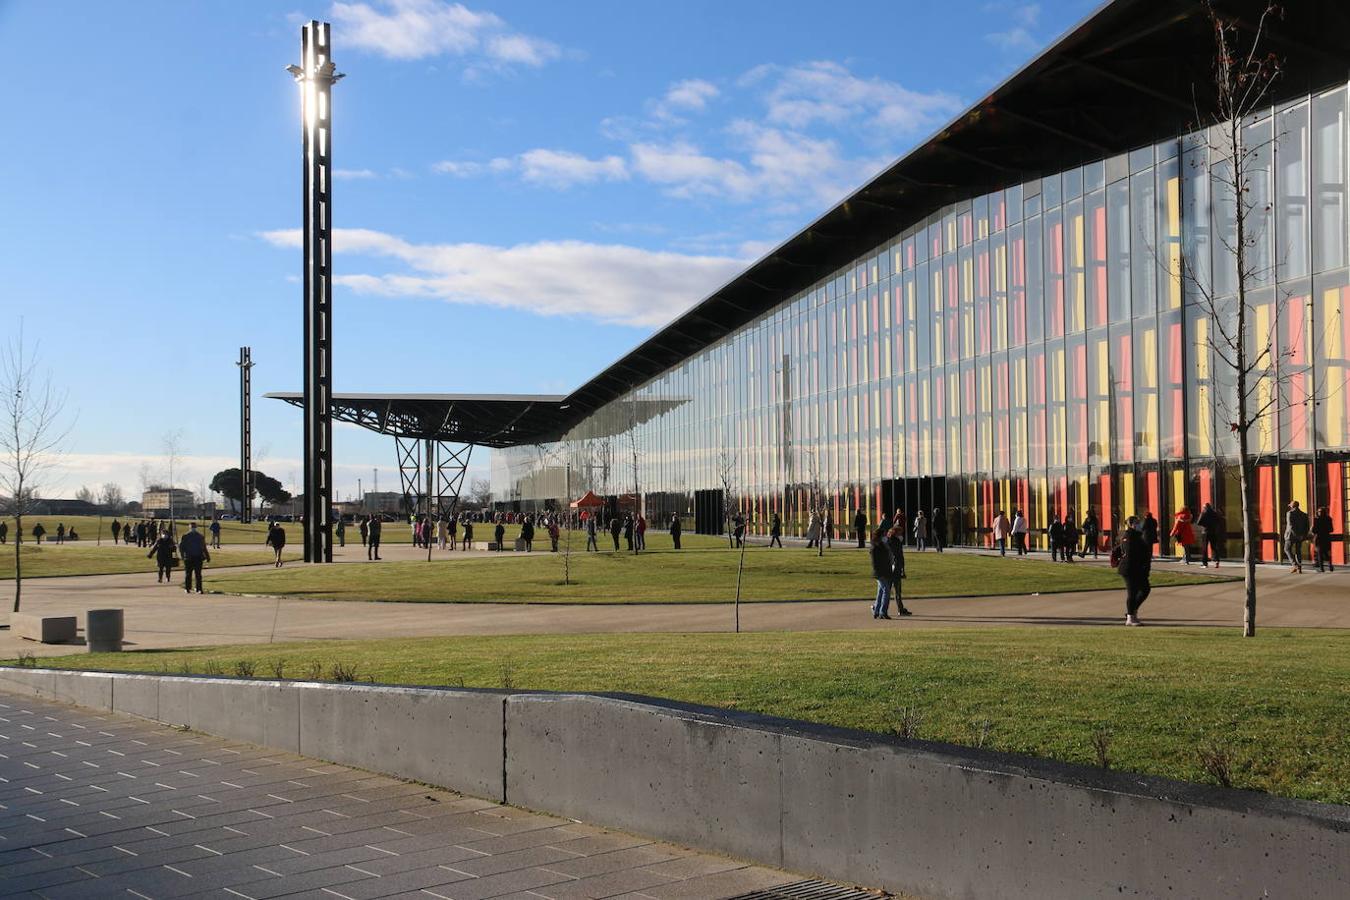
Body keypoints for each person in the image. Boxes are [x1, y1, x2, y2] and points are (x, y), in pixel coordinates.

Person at [1115, 516, 1150, 626]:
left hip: (1138, 569)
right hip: (1129, 569)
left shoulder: (1137, 536)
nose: (1139, 525)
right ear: (1130, 524)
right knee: (1132, 592)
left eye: (1139, 522)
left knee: (1145, 589)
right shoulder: (1128, 536)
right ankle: (1130, 618)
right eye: (1136, 523)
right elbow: (1131, 554)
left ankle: (1132, 611)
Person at [886, 525, 912, 615]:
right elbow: (900, 556)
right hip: (896, 567)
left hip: (890, 567)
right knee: (896, 590)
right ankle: (900, 609)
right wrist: (902, 569)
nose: (901, 534)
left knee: (887, 590)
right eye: (900, 532)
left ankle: (881, 608)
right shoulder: (896, 542)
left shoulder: (888, 541)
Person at [178, 523, 210, 594]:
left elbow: (204, 547)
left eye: (194, 527)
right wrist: (182, 556)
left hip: (198, 557)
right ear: (189, 528)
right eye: (192, 527)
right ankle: (187, 588)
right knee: (188, 574)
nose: (193, 528)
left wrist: (207, 556)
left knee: (198, 574)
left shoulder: (200, 536)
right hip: (188, 557)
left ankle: (199, 588)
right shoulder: (185, 536)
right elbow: (181, 547)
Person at [870, 529, 894, 620]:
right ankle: (883, 611)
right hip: (880, 572)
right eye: (884, 535)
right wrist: (878, 572)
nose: (885, 537)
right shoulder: (875, 547)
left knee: (880, 591)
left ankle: (876, 610)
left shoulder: (883, 545)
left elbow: (888, 556)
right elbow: (874, 562)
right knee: (886, 590)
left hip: (885, 571)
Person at [1284, 500, 1310, 574]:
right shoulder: (1304, 514)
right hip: (1300, 536)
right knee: (1298, 551)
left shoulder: (1289, 513)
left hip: (1291, 536)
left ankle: (1295, 565)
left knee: (1286, 549)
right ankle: (1299, 568)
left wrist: (1297, 535)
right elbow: (1307, 526)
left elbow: (1291, 526)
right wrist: (1303, 535)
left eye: (1290, 505)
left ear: (1292, 506)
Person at [1197, 503, 1224, 568]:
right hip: (1213, 531)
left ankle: (1205, 563)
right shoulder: (1214, 513)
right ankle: (1217, 561)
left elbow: (1198, 522)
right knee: (1214, 547)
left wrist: (1205, 524)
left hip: (1205, 532)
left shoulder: (1203, 513)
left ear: (1205, 508)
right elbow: (1218, 521)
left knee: (1204, 548)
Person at [1311, 506, 1335, 573]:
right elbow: (1331, 529)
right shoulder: (1329, 519)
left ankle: (1322, 568)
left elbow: (1314, 530)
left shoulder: (1316, 519)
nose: (1318, 513)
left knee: (1320, 553)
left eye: (1319, 512)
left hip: (1319, 538)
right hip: (1327, 538)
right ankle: (1330, 565)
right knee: (1327, 553)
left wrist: (1313, 528)